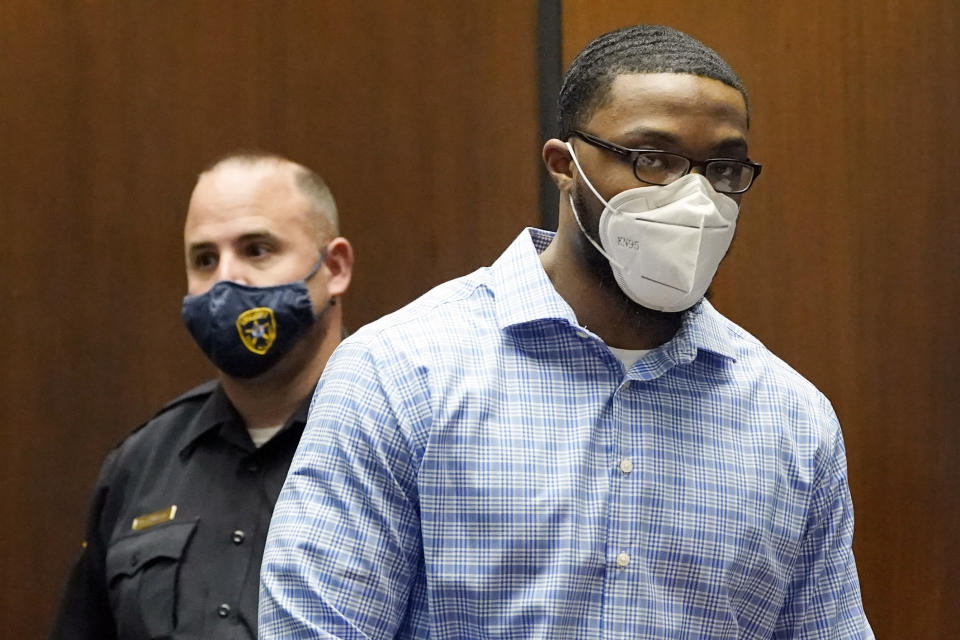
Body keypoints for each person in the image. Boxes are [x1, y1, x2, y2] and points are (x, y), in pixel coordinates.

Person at [259, 25, 873, 639]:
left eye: (723, 168)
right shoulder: (398, 374)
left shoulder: (793, 421)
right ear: (565, 166)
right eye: (652, 160)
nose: (695, 199)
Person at [50, 152, 354, 640]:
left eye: (257, 250)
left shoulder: (398, 441)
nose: (225, 280)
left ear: (334, 268)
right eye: (205, 259)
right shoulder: (142, 464)